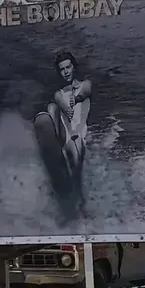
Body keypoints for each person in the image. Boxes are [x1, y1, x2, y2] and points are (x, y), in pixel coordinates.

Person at [46, 50, 92, 195]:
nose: (66, 72)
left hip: (79, 136)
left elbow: (86, 92)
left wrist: (77, 99)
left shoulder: (85, 85)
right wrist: (66, 107)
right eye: (62, 69)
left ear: (74, 67)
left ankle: (76, 192)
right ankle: (54, 146)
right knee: (52, 107)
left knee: (77, 144)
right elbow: (59, 100)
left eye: (68, 67)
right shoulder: (59, 93)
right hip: (64, 136)